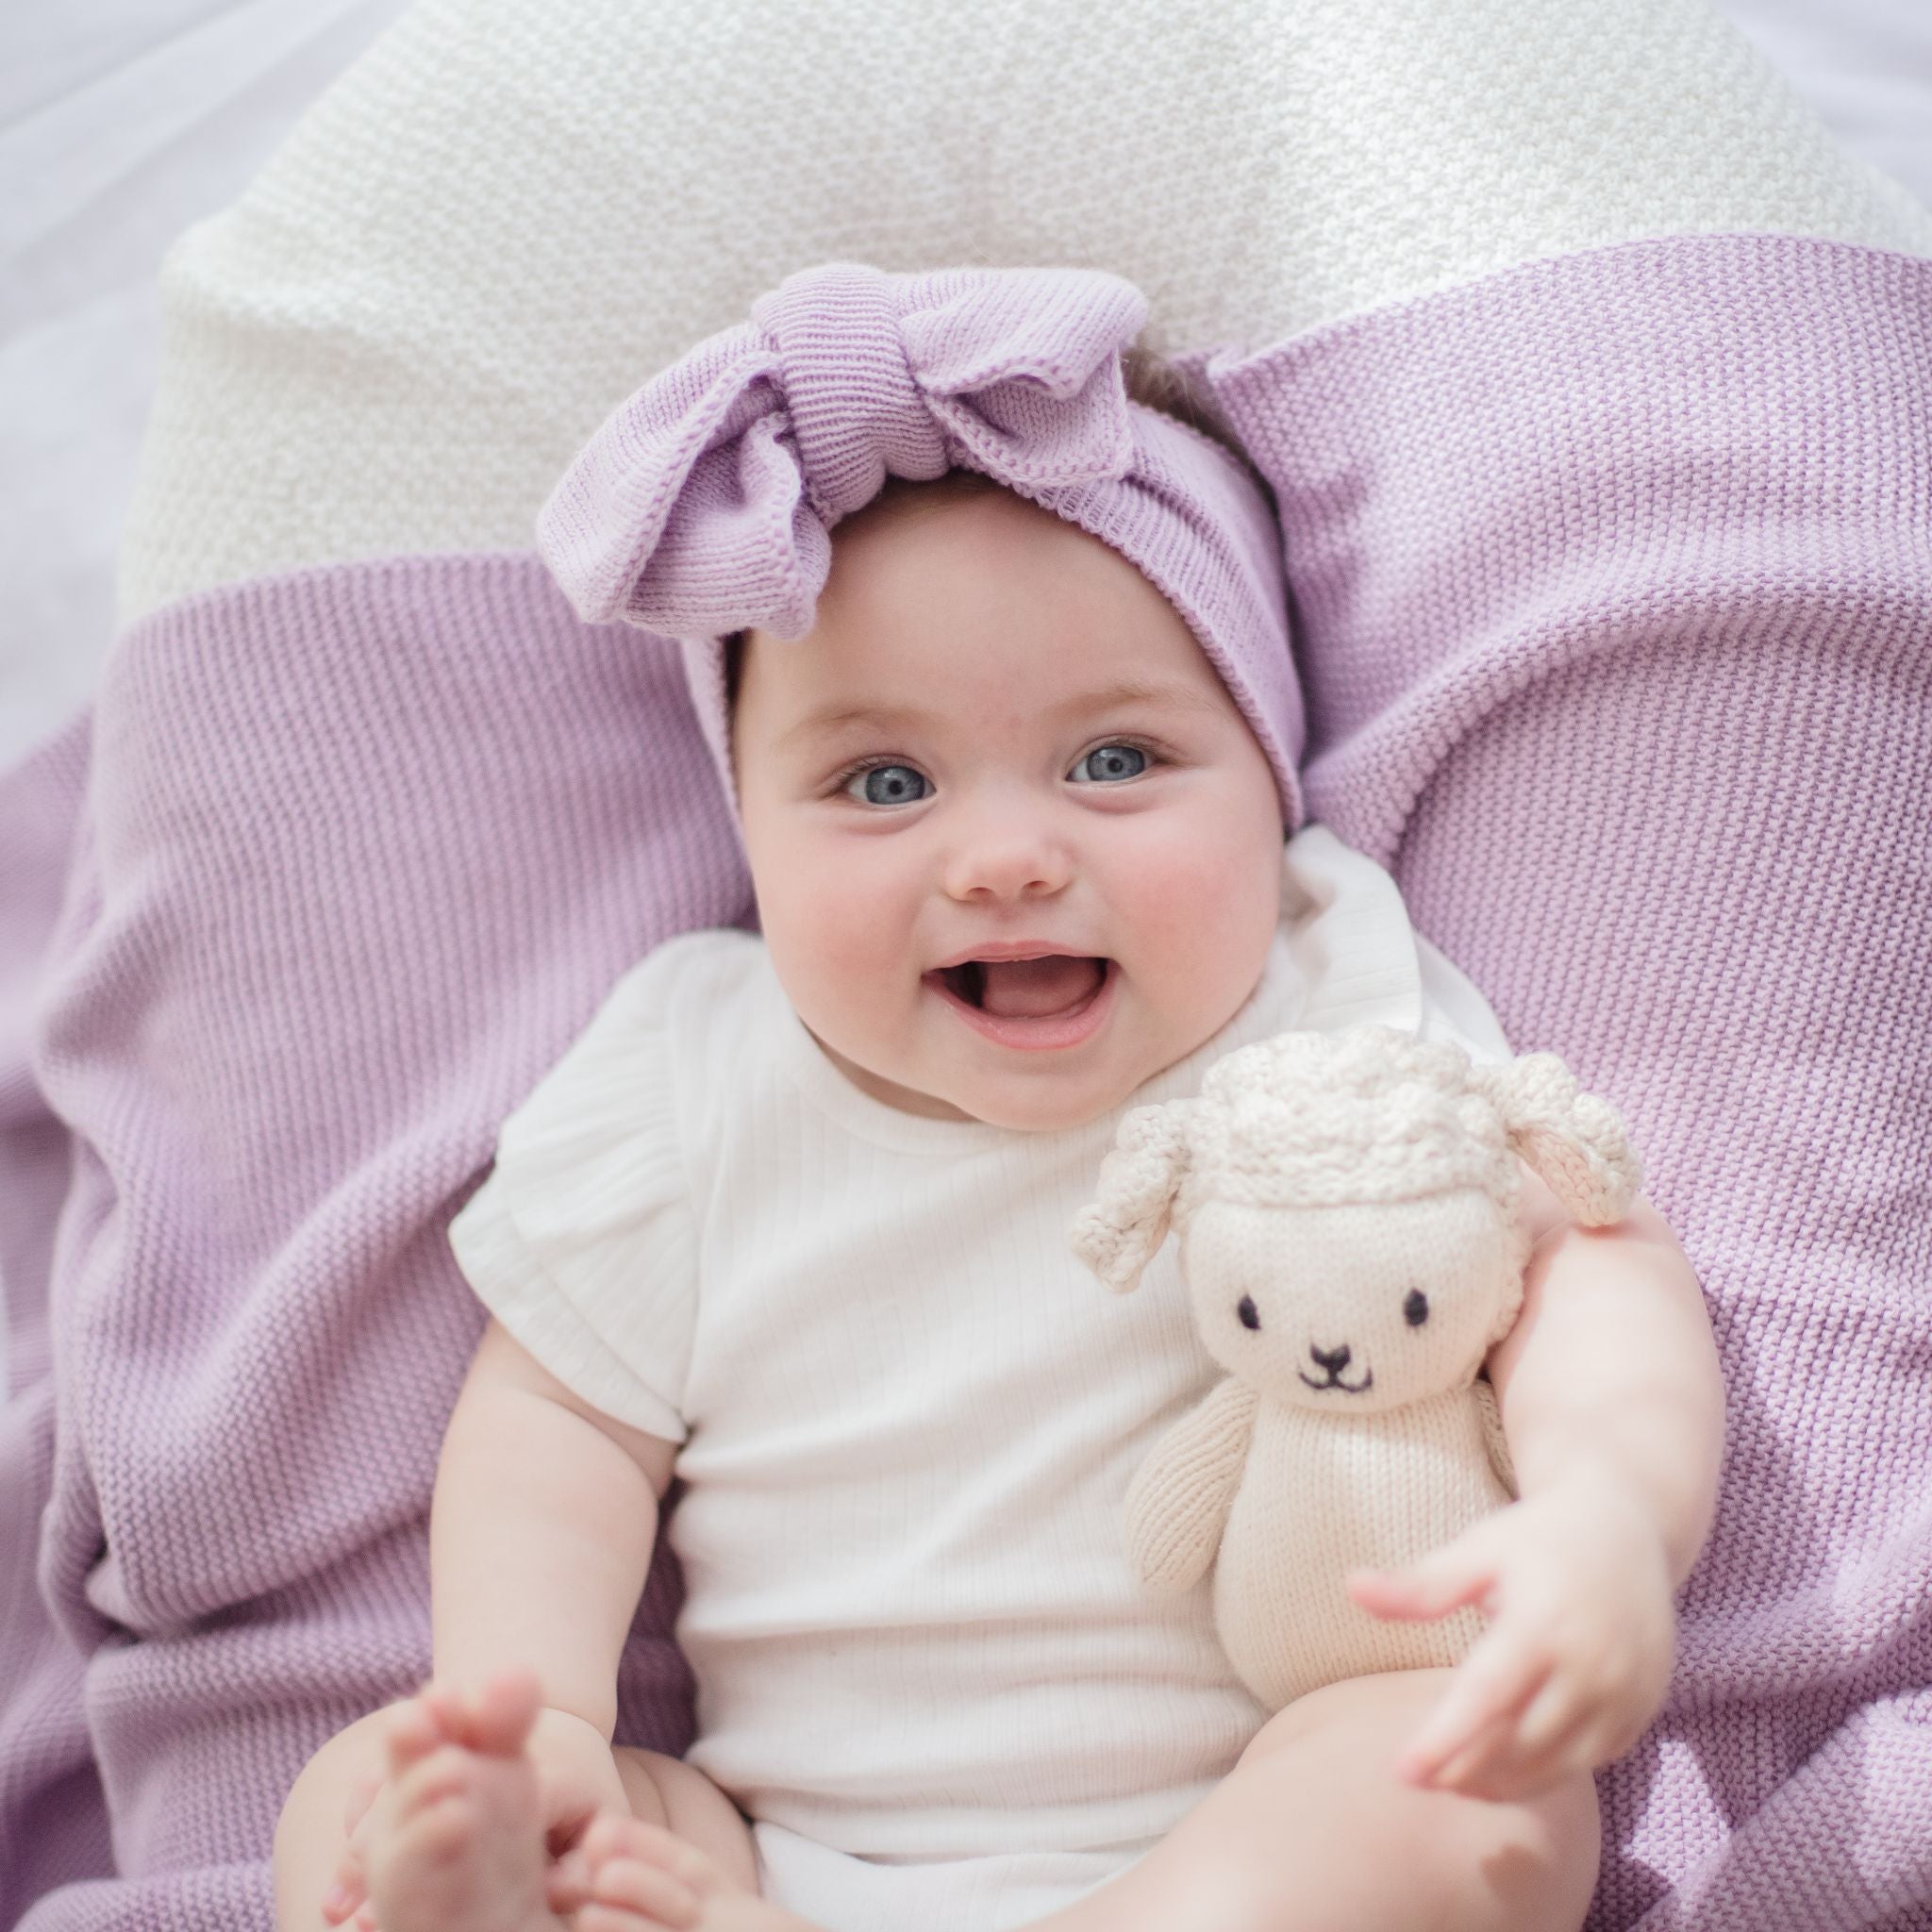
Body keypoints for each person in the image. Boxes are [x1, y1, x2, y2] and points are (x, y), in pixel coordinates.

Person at [271, 263, 1724, 1932]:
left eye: (1115, 762)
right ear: (747, 829)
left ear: (1270, 780)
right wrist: (541, 1728)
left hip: (1246, 1834)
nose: (1010, 857)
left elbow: (1583, 1262)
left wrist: (1609, 1514)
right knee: (373, 1784)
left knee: (1461, 1794)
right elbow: (556, 1421)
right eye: (882, 783)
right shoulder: (693, 1067)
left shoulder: (1336, 1001)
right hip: (766, 1863)